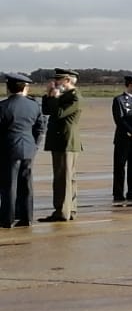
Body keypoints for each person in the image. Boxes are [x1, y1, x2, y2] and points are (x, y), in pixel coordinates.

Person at [2, 74, 45, 228]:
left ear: (8, 87)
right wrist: (34, 145)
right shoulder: (33, 105)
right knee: (26, 184)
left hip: (9, 149)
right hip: (28, 148)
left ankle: (7, 218)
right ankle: (27, 217)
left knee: (9, 185)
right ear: (25, 87)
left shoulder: (3, 106)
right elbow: (40, 128)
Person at [41, 71, 83, 223]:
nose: (55, 83)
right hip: (59, 141)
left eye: (58, 80)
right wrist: (49, 95)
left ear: (67, 80)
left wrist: (54, 97)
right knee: (65, 177)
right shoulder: (64, 95)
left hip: (66, 141)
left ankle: (63, 211)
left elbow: (59, 113)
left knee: (64, 177)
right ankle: (69, 209)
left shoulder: (74, 97)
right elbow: (46, 110)